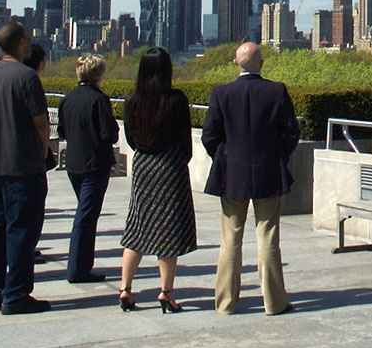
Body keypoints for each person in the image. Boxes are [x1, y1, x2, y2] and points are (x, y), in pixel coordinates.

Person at [201, 41, 300, 315]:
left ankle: (226, 303)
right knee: (268, 237)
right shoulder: (276, 91)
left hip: (231, 176)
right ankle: (274, 302)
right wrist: (277, 156)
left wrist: (224, 158)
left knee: (230, 239)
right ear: (262, 63)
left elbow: (209, 136)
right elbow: (292, 133)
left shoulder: (221, 93)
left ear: (235, 64)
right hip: (269, 172)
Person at [0, 21, 53, 315]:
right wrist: (43, 151)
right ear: (21, 42)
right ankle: (16, 293)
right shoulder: (26, 77)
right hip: (22, 167)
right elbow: (40, 122)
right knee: (22, 230)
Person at [119, 47, 196, 313]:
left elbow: (130, 137)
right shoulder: (176, 99)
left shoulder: (132, 100)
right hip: (170, 166)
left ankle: (125, 288)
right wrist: (178, 161)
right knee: (168, 231)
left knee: (137, 227)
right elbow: (185, 141)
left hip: (144, 165)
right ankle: (166, 292)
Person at [58, 53, 118, 284]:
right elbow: (109, 134)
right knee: (86, 215)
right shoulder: (99, 99)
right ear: (99, 74)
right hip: (95, 163)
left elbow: (62, 131)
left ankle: (81, 265)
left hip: (74, 163)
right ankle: (78, 268)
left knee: (85, 212)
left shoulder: (68, 98)